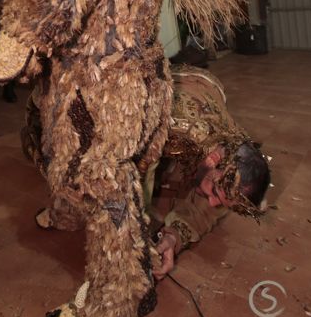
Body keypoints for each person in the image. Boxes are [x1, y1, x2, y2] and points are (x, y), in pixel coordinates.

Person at [27, 65, 271, 280]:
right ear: (213, 159)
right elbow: (124, 180)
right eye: (216, 192)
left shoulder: (232, 148)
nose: (214, 201)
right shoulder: (161, 128)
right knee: (81, 191)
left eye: (220, 199)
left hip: (192, 91)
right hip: (83, 109)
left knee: (171, 196)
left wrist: (174, 238)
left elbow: (210, 205)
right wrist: (131, 241)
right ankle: (62, 209)